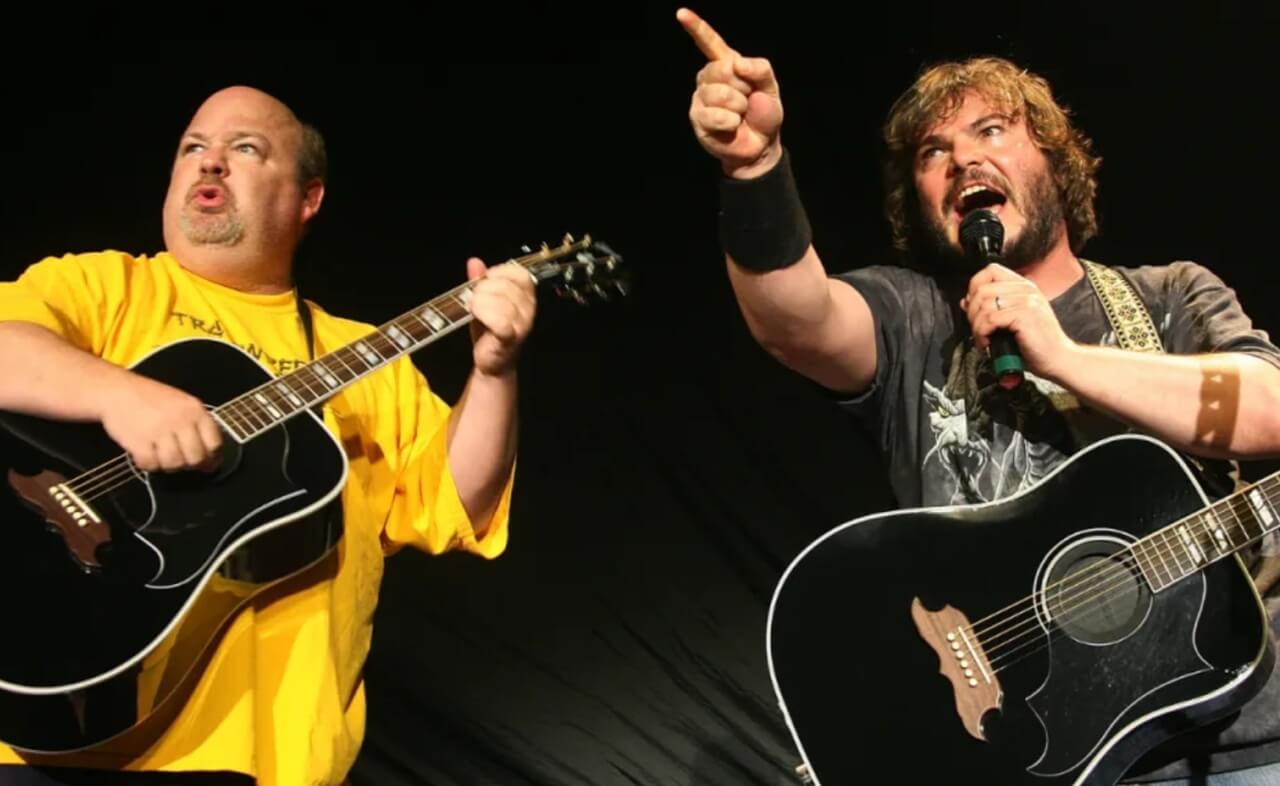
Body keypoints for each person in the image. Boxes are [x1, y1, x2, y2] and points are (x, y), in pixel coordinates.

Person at [676, 7, 1280, 785]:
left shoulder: (1167, 296)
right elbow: (794, 320)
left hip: (1228, 745)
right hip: (1004, 752)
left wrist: (1063, 356)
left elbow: (1268, 411)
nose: (963, 159)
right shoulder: (915, 318)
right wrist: (754, 170)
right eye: (934, 151)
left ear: (1054, 162)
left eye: (991, 131)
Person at [0, 85, 534, 784]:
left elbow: (457, 499)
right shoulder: (105, 285)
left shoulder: (363, 355)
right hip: (59, 745)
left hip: (276, 763)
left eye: (244, 149)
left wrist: (495, 372)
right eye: (194, 147)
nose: (210, 163)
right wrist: (120, 395)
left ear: (308, 198)